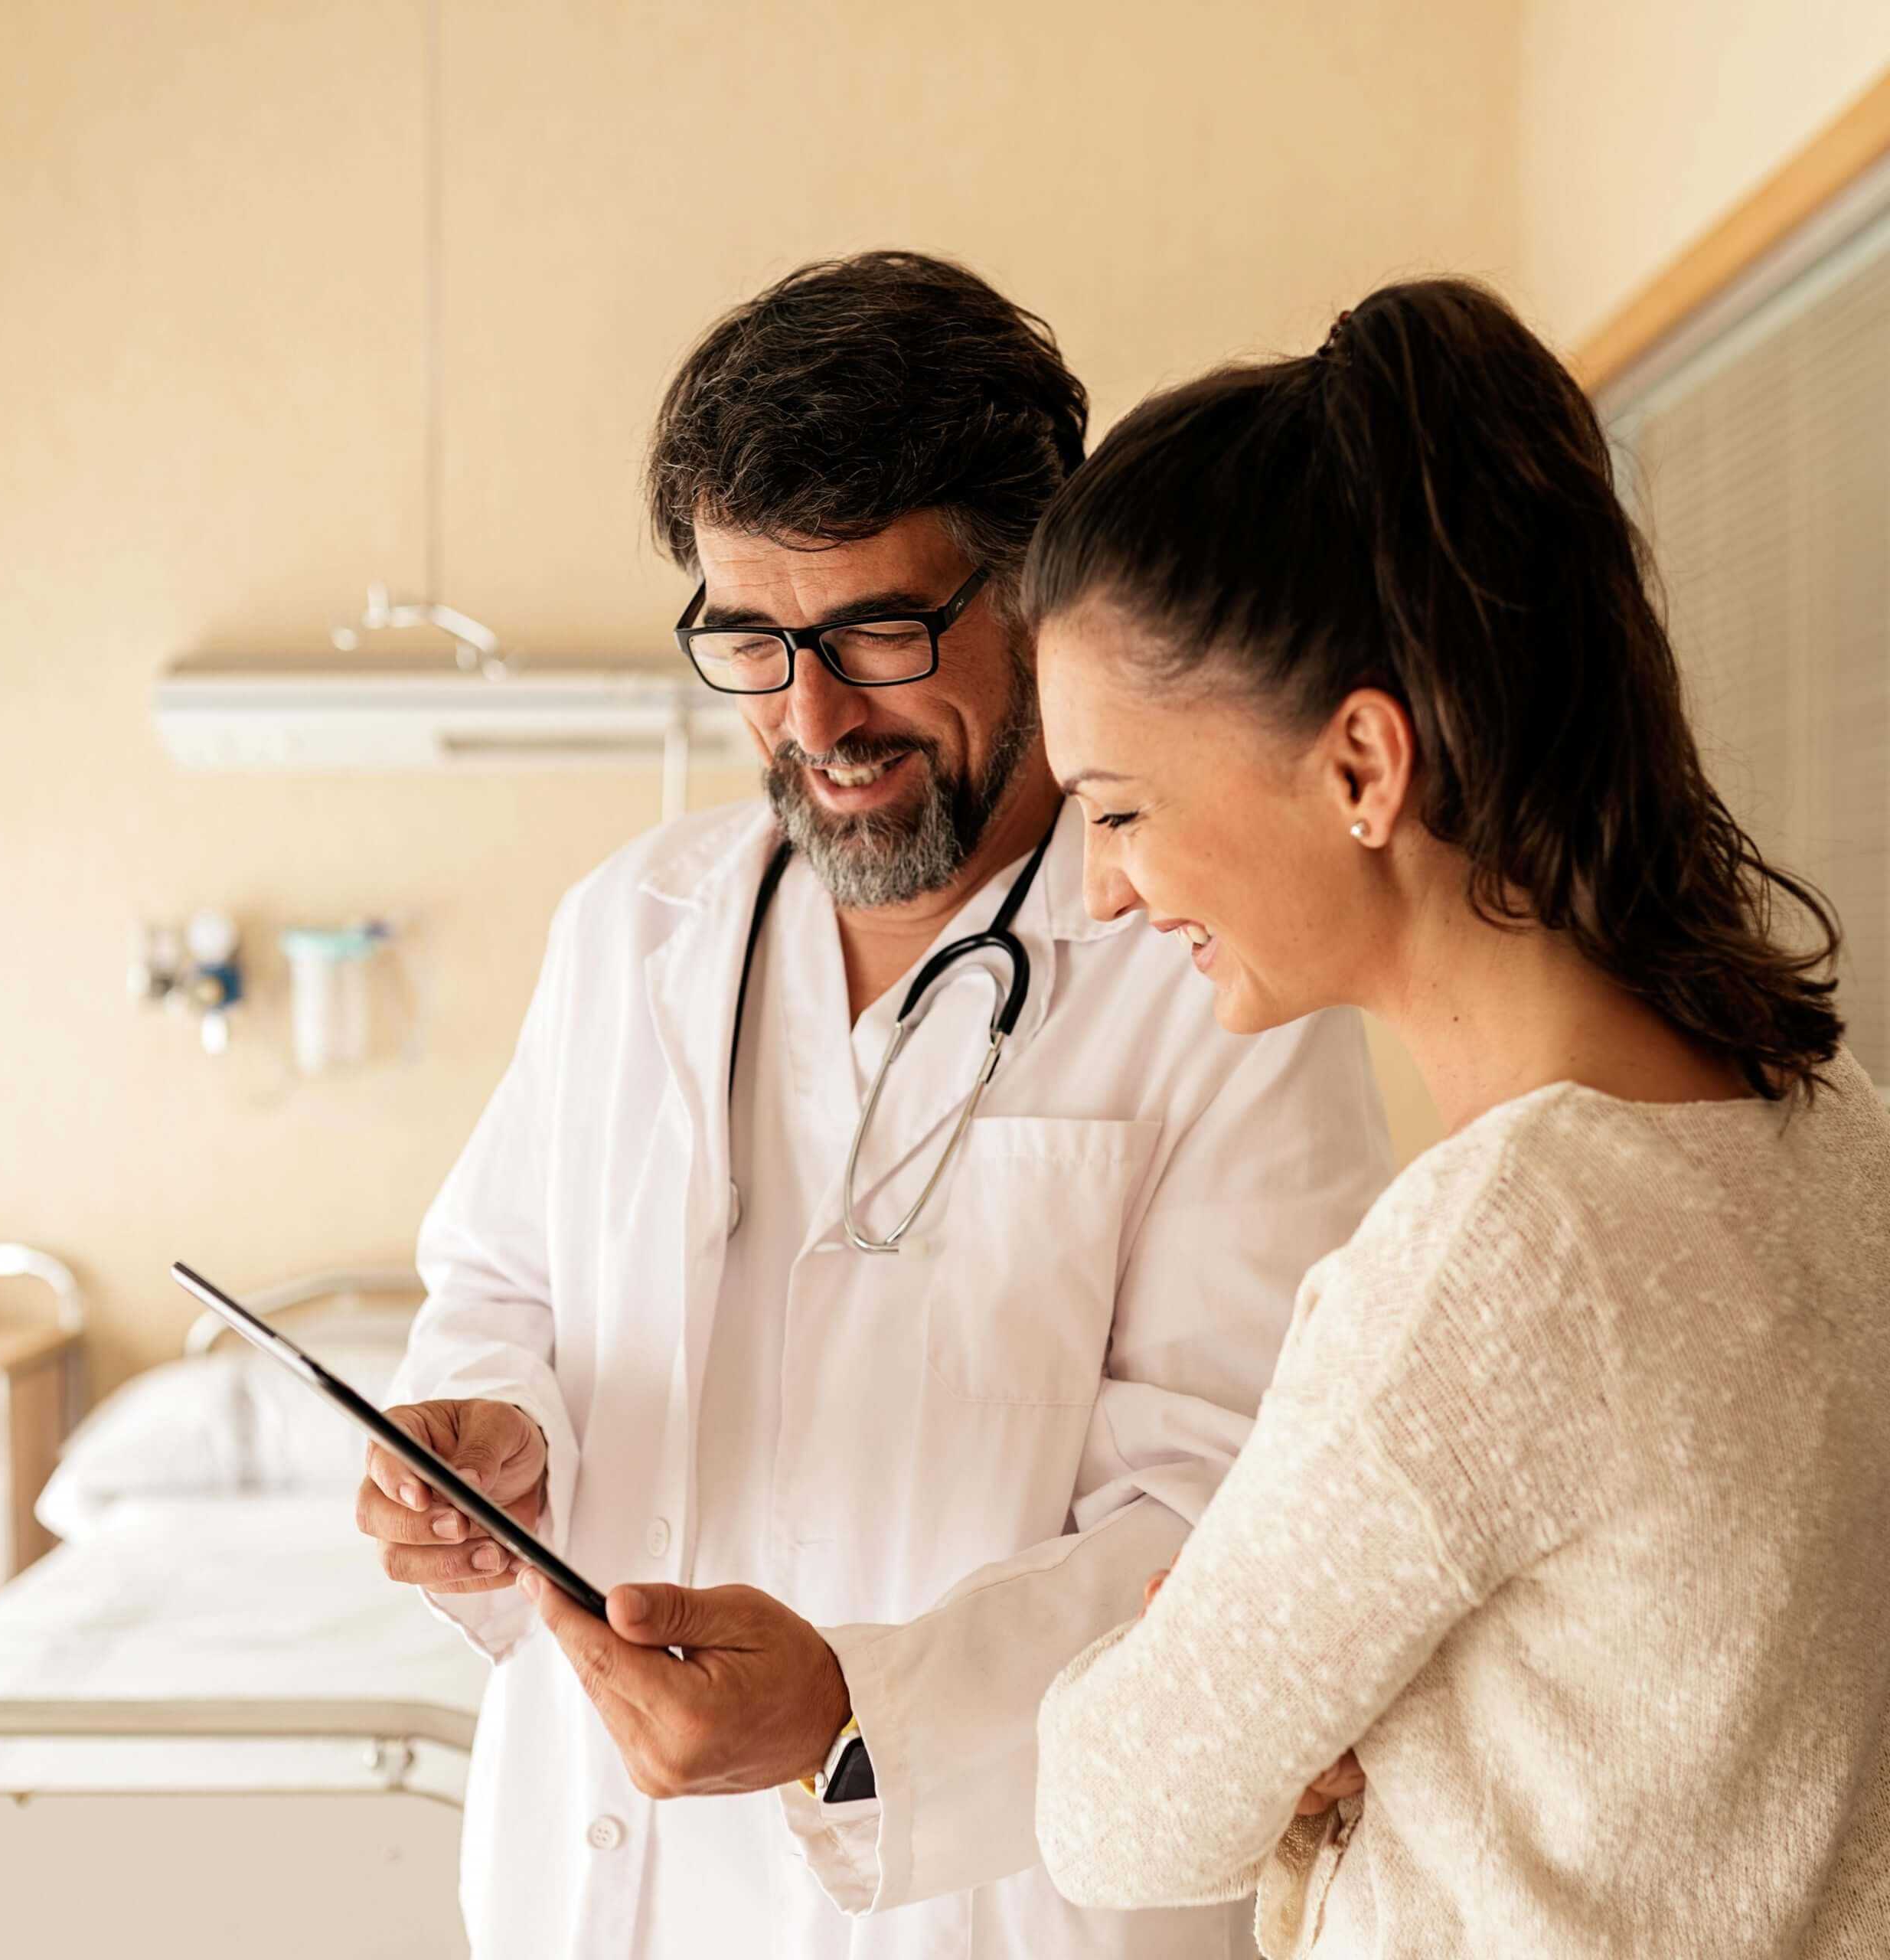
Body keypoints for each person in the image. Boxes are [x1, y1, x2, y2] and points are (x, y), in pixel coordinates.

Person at [354, 252, 1395, 1959]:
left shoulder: (1218, 967)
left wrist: (859, 1715)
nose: (814, 718)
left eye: (876, 634)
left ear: (1035, 589)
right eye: (752, 642)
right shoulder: (636, 925)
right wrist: (486, 1427)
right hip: (597, 1885)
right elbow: (500, 1283)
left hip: (988, 1904)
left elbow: (1233, 1519)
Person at [1025, 277, 1890, 1958]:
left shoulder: (1502, 1255)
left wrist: (1207, 1702)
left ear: (1360, 765)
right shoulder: (1827, 1129)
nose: (1104, 888)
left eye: (1119, 809)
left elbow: (1119, 1811)